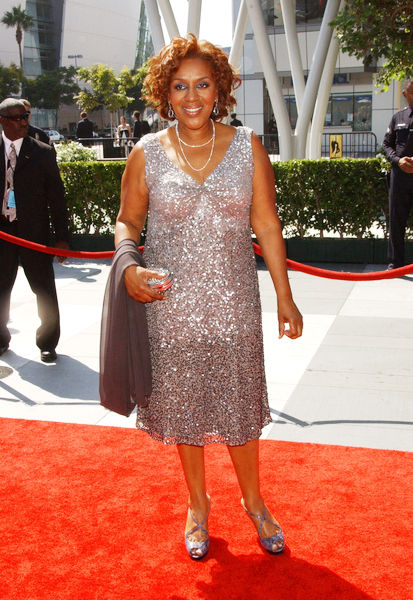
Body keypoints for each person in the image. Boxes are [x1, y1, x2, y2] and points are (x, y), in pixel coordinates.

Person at [113, 35, 303, 560]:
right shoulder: (145, 153)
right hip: (169, 307)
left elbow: (266, 222)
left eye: (202, 84)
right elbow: (127, 220)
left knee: (240, 407)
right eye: (180, 87)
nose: (191, 96)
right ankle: (198, 504)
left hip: (235, 303)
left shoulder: (247, 146)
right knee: (185, 411)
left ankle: (254, 501)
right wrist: (128, 261)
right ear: (165, 94)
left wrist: (285, 297)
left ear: (218, 89)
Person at [0, 98, 69, 362]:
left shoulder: (41, 151)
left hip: (34, 235)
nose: (23, 121)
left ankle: (48, 342)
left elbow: (57, 197)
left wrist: (62, 238)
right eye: (17, 117)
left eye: (25, 116)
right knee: (1, 288)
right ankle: (1, 339)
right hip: (2, 234)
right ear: (3, 121)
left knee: (44, 290)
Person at [382, 80, 413, 269]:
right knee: (396, 221)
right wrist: (397, 160)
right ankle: (396, 263)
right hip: (400, 177)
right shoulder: (397, 117)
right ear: (405, 94)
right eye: (412, 92)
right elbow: (386, 145)